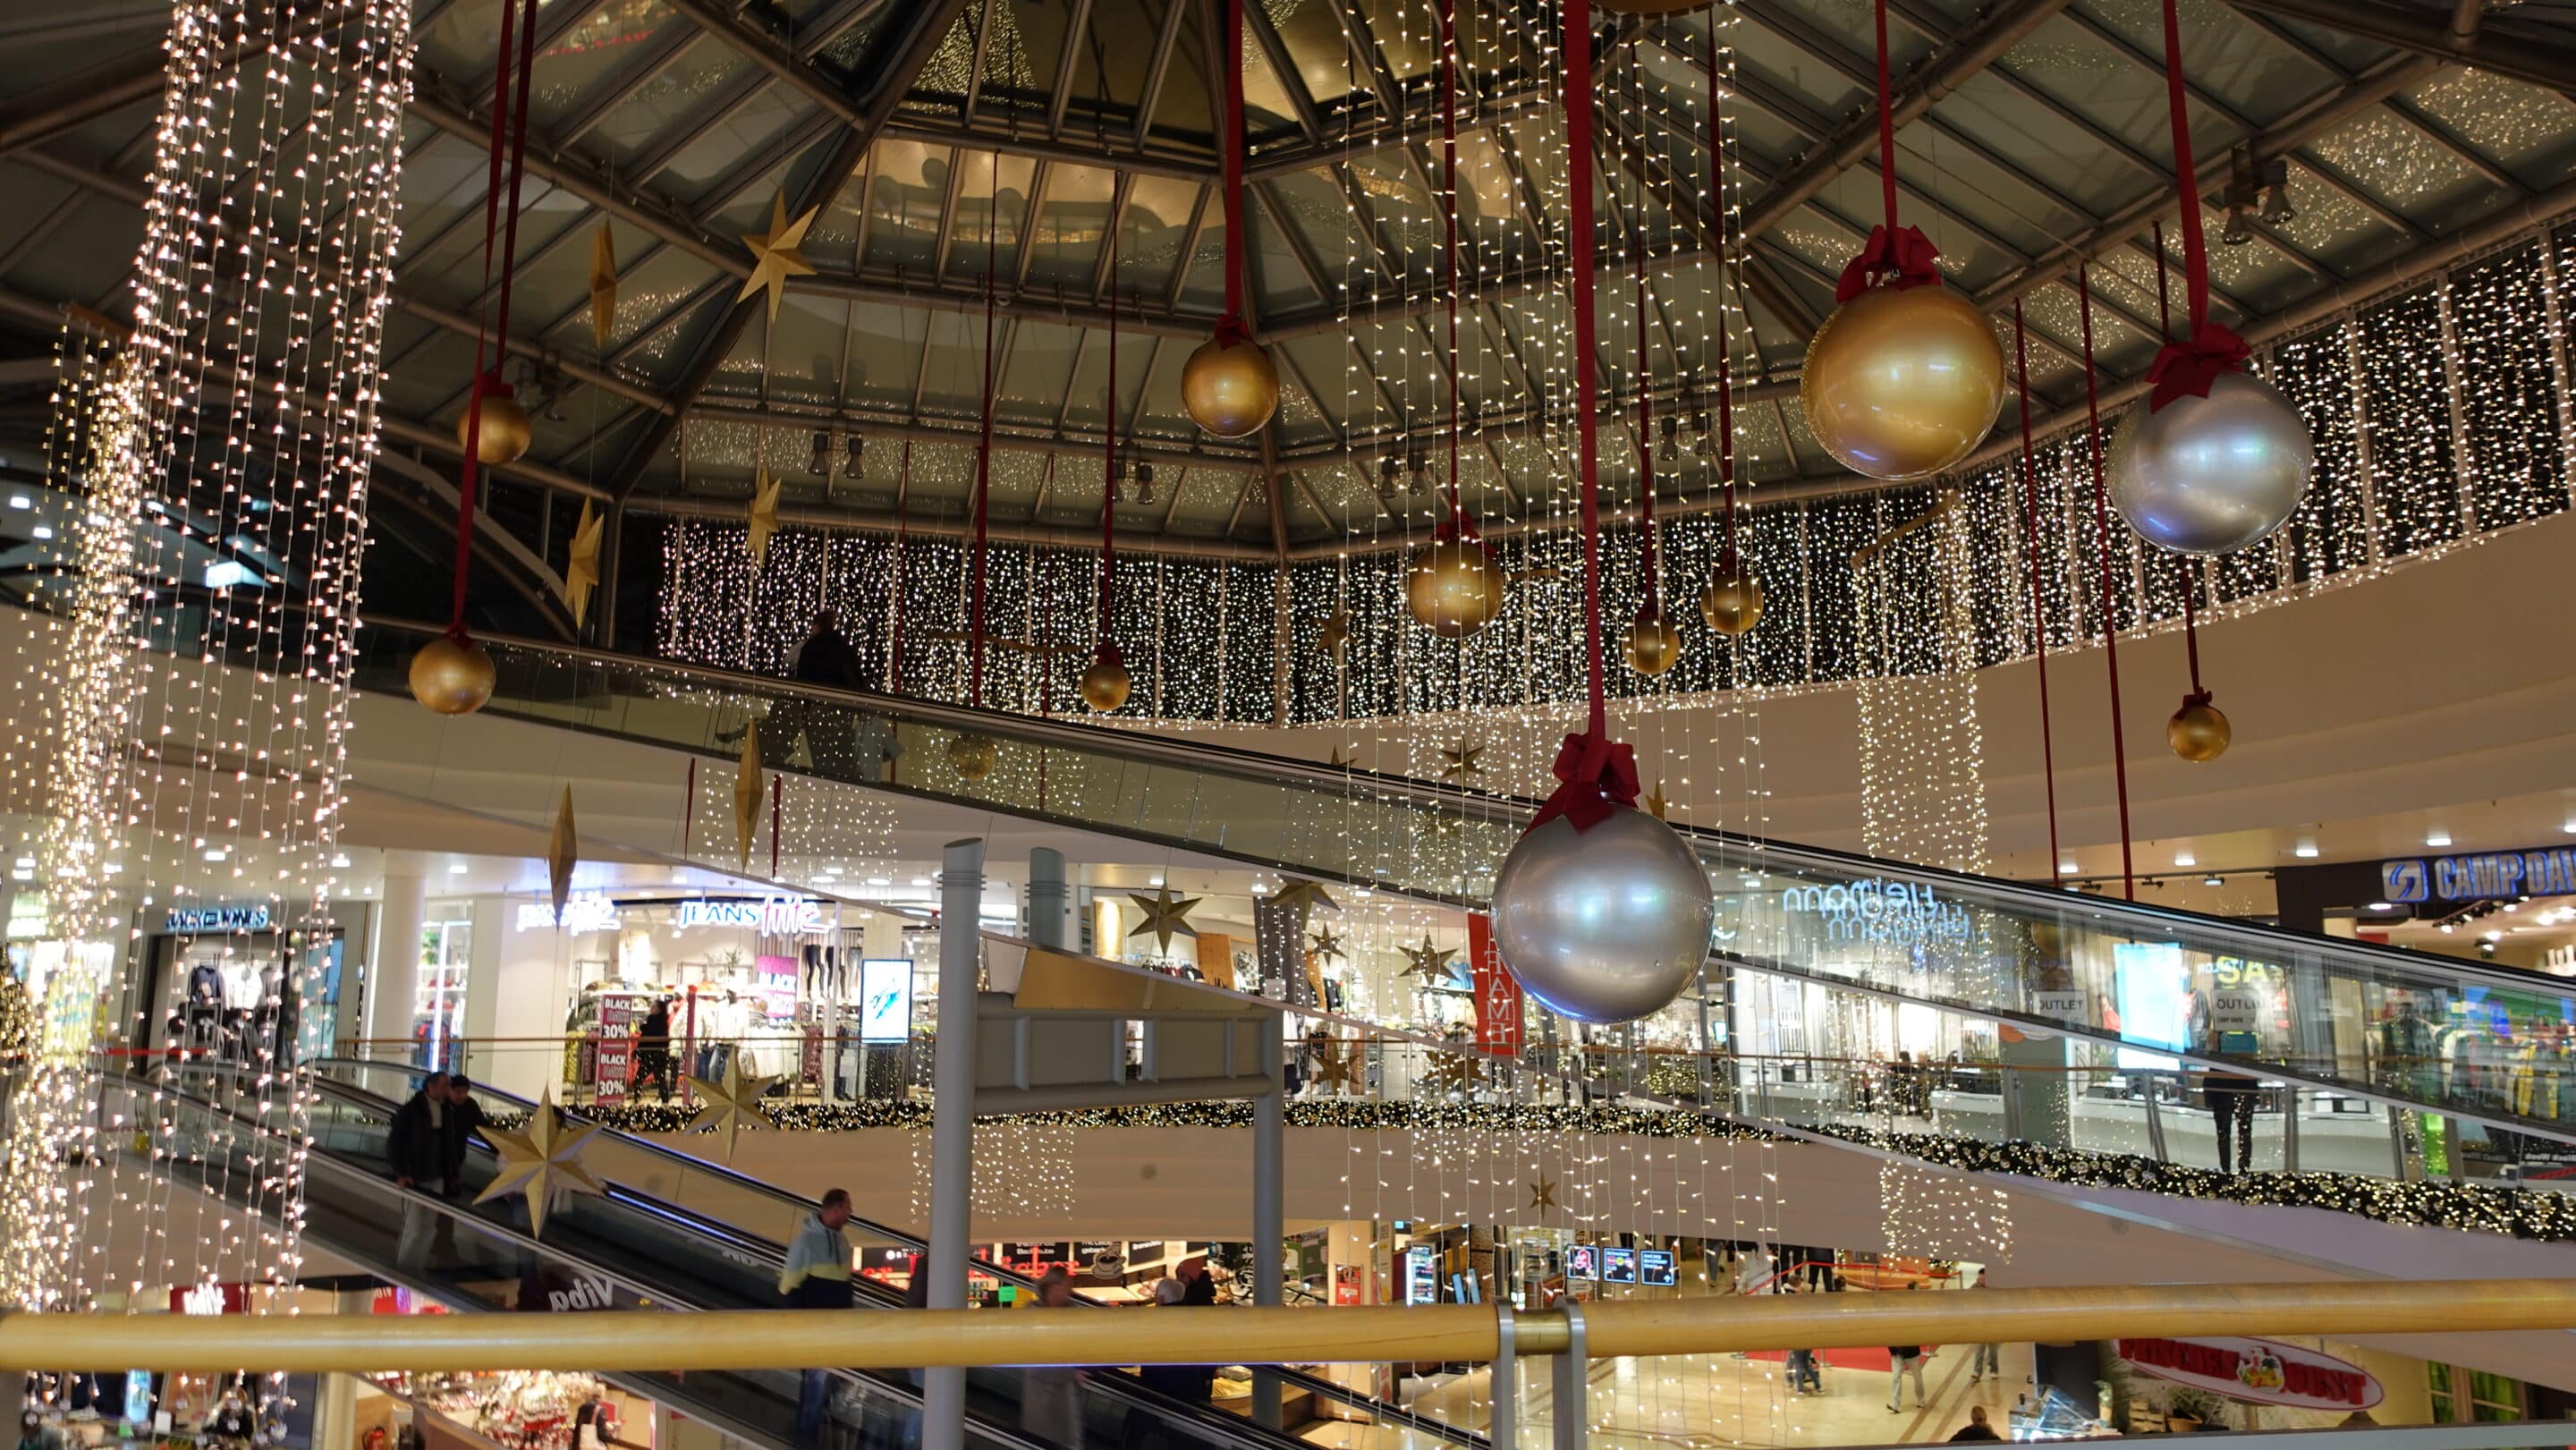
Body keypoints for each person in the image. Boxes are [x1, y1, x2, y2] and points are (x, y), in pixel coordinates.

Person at [781, 1188, 856, 1447]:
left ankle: (812, 1435)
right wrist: (800, 1326)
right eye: (848, 1207)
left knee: (825, 1385)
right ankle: (807, 1438)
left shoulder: (843, 1242)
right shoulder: (806, 1242)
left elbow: (844, 1283)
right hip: (815, 1330)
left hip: (837, 1330)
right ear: (835, 1209)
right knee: (815, 1383)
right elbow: (789, 1284)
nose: (851, 1213)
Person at [1125, 1277, 1213, 1450]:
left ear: (1161, 1299)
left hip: (1157, 1396)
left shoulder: (1155, 1326)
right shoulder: (1195, 1321)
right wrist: (1206, 1380)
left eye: (1157, 1294)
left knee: (1136, 1433)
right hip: (1190, 1398)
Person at [1021, 1268, 1086, 1448]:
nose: (1070, 1291)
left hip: (1065, 1401)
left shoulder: (1072, 1312)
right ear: (1054, 1287)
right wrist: (1070, 1374)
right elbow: (1033, 1363)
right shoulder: (1033, 1317)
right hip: (1044, 1403)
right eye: (1067, 1286)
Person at [387, 1071, 450, 1191]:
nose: (448, 1088)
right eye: (445, 1085)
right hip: (415, 1173)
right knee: (416, 1208)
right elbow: (395, 1141)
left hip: (437, 1172)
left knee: (433, 1207)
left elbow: (449, 1141)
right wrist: (401, 1172)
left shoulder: (446, 1109)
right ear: (431, 1087)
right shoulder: (411, 1110)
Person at [2203, 1056, 2261, 1174]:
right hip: (2239, 1086)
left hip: (2221, 1089)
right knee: (2243, 1133)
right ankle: (2241, 1170)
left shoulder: (2219, 1044)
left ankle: (2228, 1170)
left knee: (2225, 1133)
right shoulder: (2243, 1047)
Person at [439, 1074, 488, 1195]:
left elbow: (483, 1129)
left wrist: (501, 1148)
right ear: (449, 1090)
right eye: (458, 1091)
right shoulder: (440, 1104)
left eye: (465, 1092)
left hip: (457, 1155)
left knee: (451, 1192)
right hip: (438, 1156)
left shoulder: (470, 1105)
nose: (462, 1095)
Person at [634, 998, 675, 1104]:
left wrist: (643, 1027)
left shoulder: (661, 1022)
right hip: (651, 1054)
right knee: (641, 1079)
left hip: (656, 1055)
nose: (651, 1009)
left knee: (657, 1080)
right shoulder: (652, 1020)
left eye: (653, 1007)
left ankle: (665, 1102)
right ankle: (637, 1100)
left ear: (659, 1009)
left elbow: (652, 1033)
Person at [1965, 1275, 2000, 1384]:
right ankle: (1977, 1371)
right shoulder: (1974, 1289)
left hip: (1993, 1324)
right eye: (1981, 1279)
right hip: (1980, 1324)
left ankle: (1994, 1370)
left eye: (1985, 1279)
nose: (1983, 1281)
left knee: (1993, 1351)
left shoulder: (1994, 1288)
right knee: (1979, 1350)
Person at [1887, 1341, 1927, 1413]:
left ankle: (1921, 1399)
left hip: (1912, 1354)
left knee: (1917, 1377)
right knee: (1896, 1377)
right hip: (1897, 1354)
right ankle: (1896, 1404)